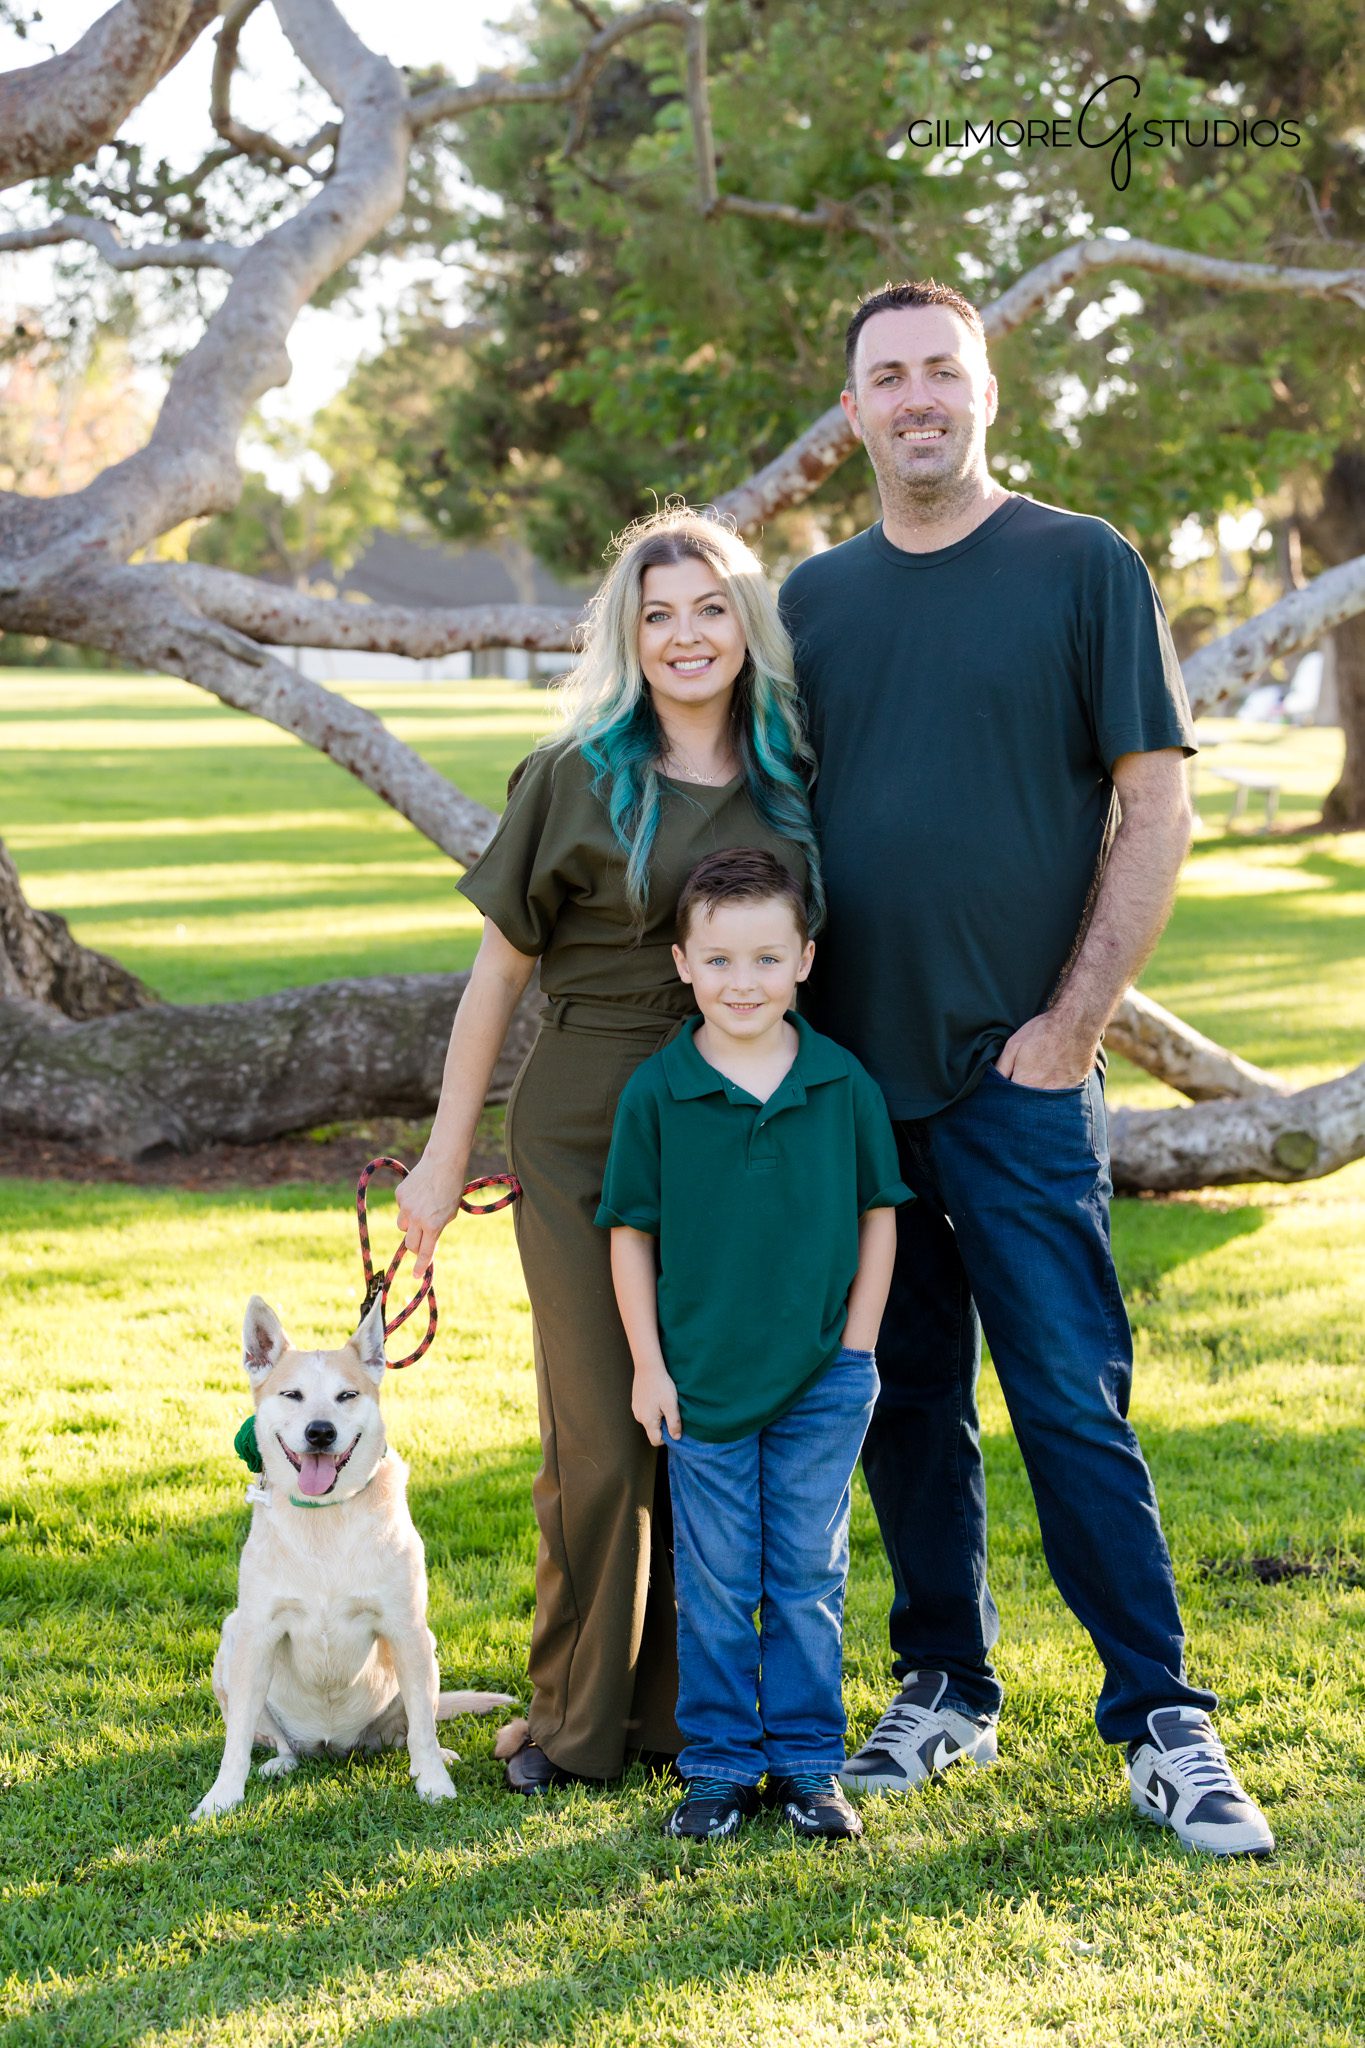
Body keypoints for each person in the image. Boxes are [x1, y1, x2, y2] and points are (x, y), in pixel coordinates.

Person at [777, 279, 1275, 1857]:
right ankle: (945, 1686)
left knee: (1068, 1396)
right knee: (903, 1396)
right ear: (852, 414)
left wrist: (1071, 1031)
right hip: (854, 1085)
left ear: (985, 392)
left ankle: (1164, 1718)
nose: (918, 396)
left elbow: (1155, 807)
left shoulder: (1080, 564)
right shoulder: (812, 602)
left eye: (943, 369)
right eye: (888, 377)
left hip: (1022, 1078)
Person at [396, 505, 823, 1793]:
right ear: (627, 638)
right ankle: (573, 1718)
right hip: (586, 1117)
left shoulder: (794, 776)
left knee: (712, 1417)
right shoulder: (572, 775)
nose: (686, 635)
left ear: (746, 626)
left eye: (710, 609)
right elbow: (495, 979)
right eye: (657, 614)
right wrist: (441, 1155)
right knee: (599, 1428)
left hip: (740, 1124)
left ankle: (684, 1713)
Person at [596, 848, 910, 1842]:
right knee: (720, 1583)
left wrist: (856, 1350)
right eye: (721, 960)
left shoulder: (841, 1082)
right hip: (702, 1383)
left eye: (768, 958)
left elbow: (878, 1214)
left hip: (823, 1378)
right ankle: (722, 1767)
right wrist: (648, 1365)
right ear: (683, 963)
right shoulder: (659, 1091)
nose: (744, 982)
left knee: (808, 1578)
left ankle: (811, 1765)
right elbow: (630, 1231)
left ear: (805, 960)